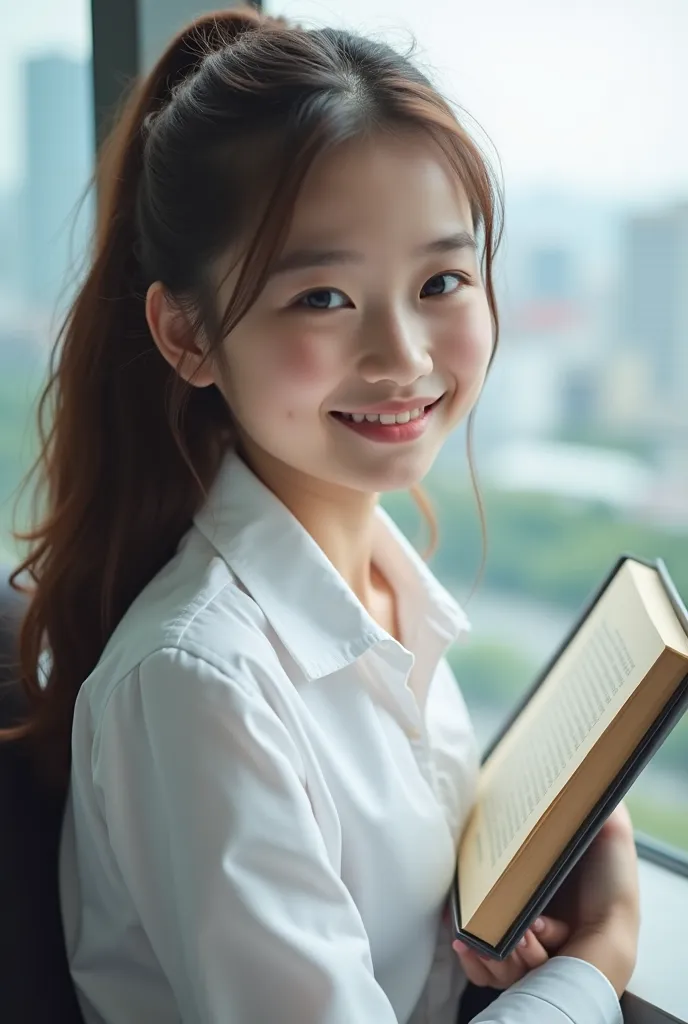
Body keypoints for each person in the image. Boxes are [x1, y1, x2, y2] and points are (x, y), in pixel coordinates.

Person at [3, 7, 639, 1023]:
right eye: (322, 299)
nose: (403, 356)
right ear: (187, 333)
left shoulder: (389, 597)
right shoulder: (199, 684)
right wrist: (596, 960)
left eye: (440, 280)